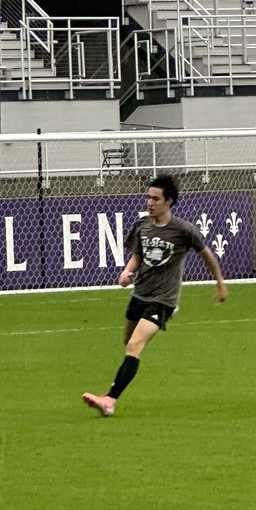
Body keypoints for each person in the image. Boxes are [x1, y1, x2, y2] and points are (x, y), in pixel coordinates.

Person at [82, 174, 227, 418]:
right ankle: (165, 317)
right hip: (140, 294)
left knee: (134, 346)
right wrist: (127, 271)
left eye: (155, 199)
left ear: (169, 201)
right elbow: (138, 257)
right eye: (148, 197)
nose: (150, 202)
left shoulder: (183, 230)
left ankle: (109, 400)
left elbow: (207, 254)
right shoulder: (143, 226)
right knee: (127, 341)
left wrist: (220, 284)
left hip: (163, 298)